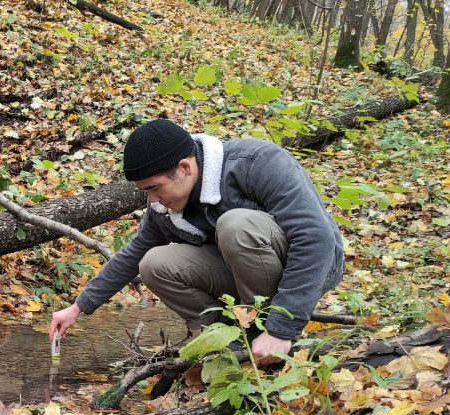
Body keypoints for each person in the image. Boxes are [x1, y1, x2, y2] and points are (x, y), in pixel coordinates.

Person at [49, 119, 345, 363]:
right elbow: (133, 254)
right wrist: (78, 307)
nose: (152, 200)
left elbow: (315, 237)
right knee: (153, 263)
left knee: (234, 225)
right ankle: (224, 341)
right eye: (146, 191)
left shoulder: (256, 162)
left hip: (312, 264)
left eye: (154, 188)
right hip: (244, 271)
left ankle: (263, 333)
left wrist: (281, 329)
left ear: (185, 168)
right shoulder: (163, 206)